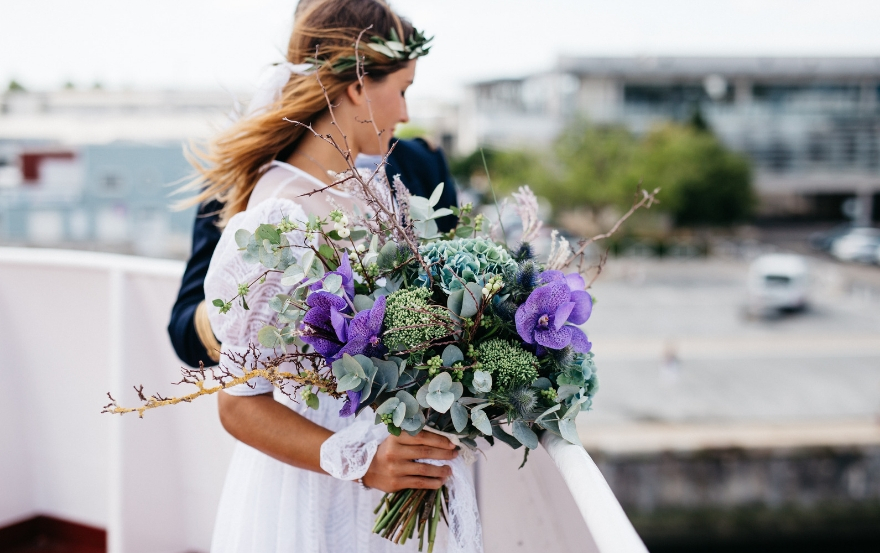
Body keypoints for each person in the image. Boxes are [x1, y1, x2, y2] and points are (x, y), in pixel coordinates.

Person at [180, 1, 461, 551]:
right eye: (402, 88)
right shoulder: (277, 221)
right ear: (358, 84)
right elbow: (239, 404)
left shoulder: (380, 192)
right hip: (317, 496)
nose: (405, 113)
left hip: (393, 481)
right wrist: (359, 461)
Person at [168, 136, 457, 368]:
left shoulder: (421, 162)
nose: (404, 112)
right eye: (401, 90)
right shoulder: (252, 176)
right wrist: (260, 300)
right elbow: (186, 335)